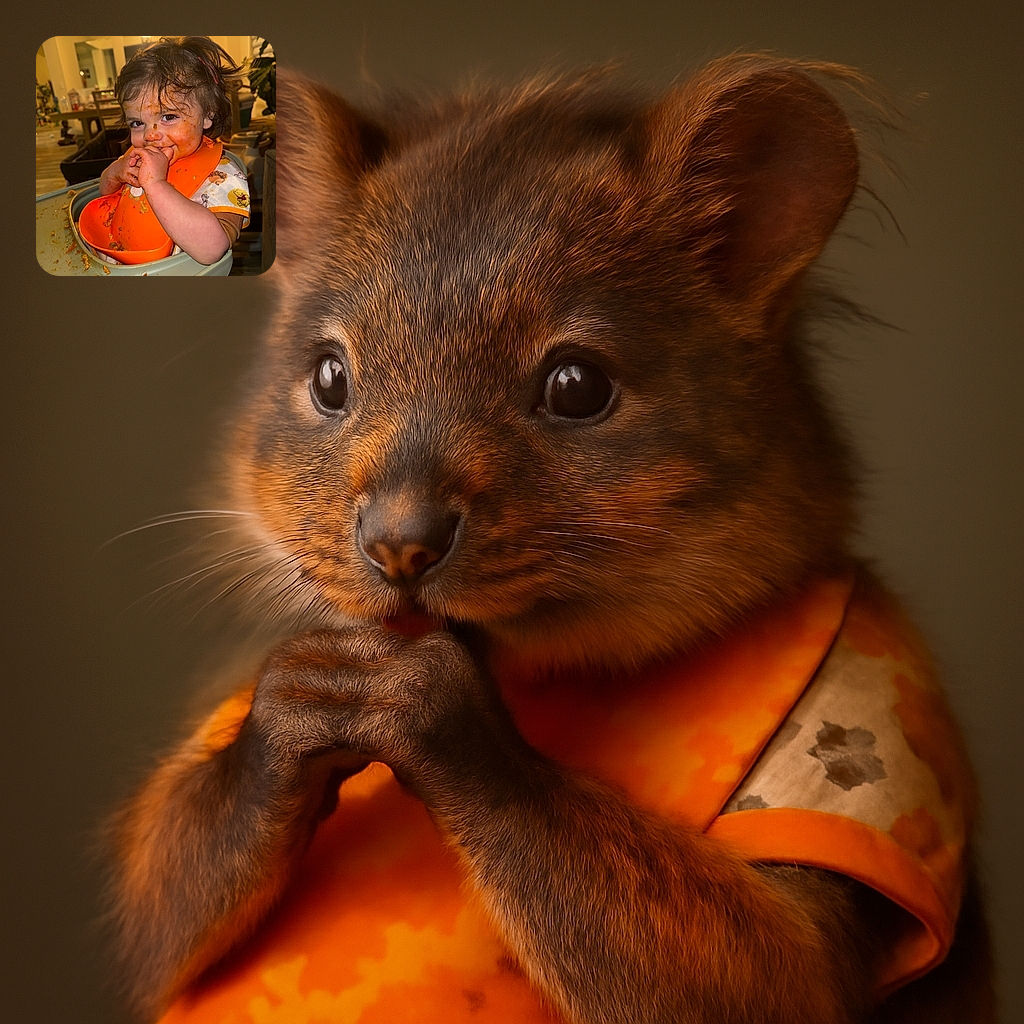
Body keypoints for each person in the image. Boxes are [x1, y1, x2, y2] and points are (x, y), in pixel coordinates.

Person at [96, 37, 250, 265]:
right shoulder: (137, 154)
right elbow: (104, 196)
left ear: (208, 115)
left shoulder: (223, 176)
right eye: (137, 123)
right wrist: (115, 172)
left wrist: (156, 185)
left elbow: (212, 251)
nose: (150, 135)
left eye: (168, 117)